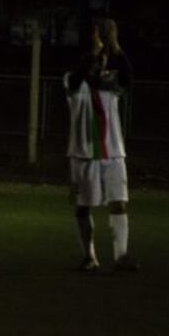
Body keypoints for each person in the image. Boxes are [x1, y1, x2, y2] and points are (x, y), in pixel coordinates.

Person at [65, 18, 139, 272]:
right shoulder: (74, 82)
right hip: (84, 155)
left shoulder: (111, 83)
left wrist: (115, 46)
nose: (103, 61)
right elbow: (76, 78)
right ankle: (89, 256)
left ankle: (121, 256)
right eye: (98, 58)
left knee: (119, 203)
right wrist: (94, 54)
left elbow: (128, 79)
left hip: (113, 152)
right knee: (83, 206)